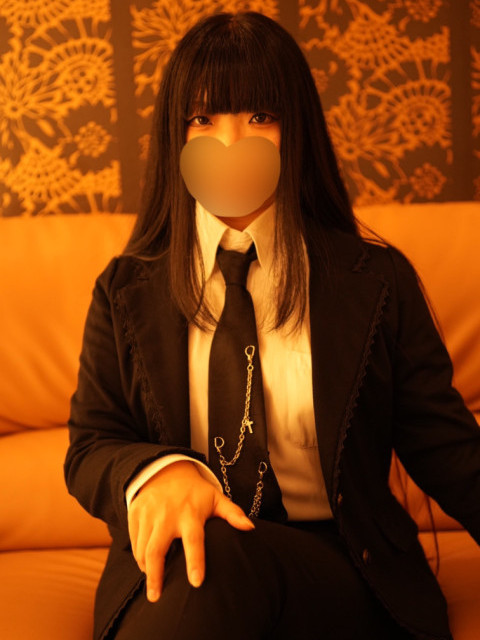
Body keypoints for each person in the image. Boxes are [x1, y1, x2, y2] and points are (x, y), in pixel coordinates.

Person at [64, 11, 480, 640]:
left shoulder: (376, 281)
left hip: (340, 569)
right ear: (176, 138)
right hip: (179, 563)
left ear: (298, 129)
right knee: (209, 552)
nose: (230, 144)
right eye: (202, 119)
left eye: (260, 116)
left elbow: (446, 448)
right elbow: (91, 446)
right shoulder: (125, 289)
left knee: (220, 556)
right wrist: (159, 470)